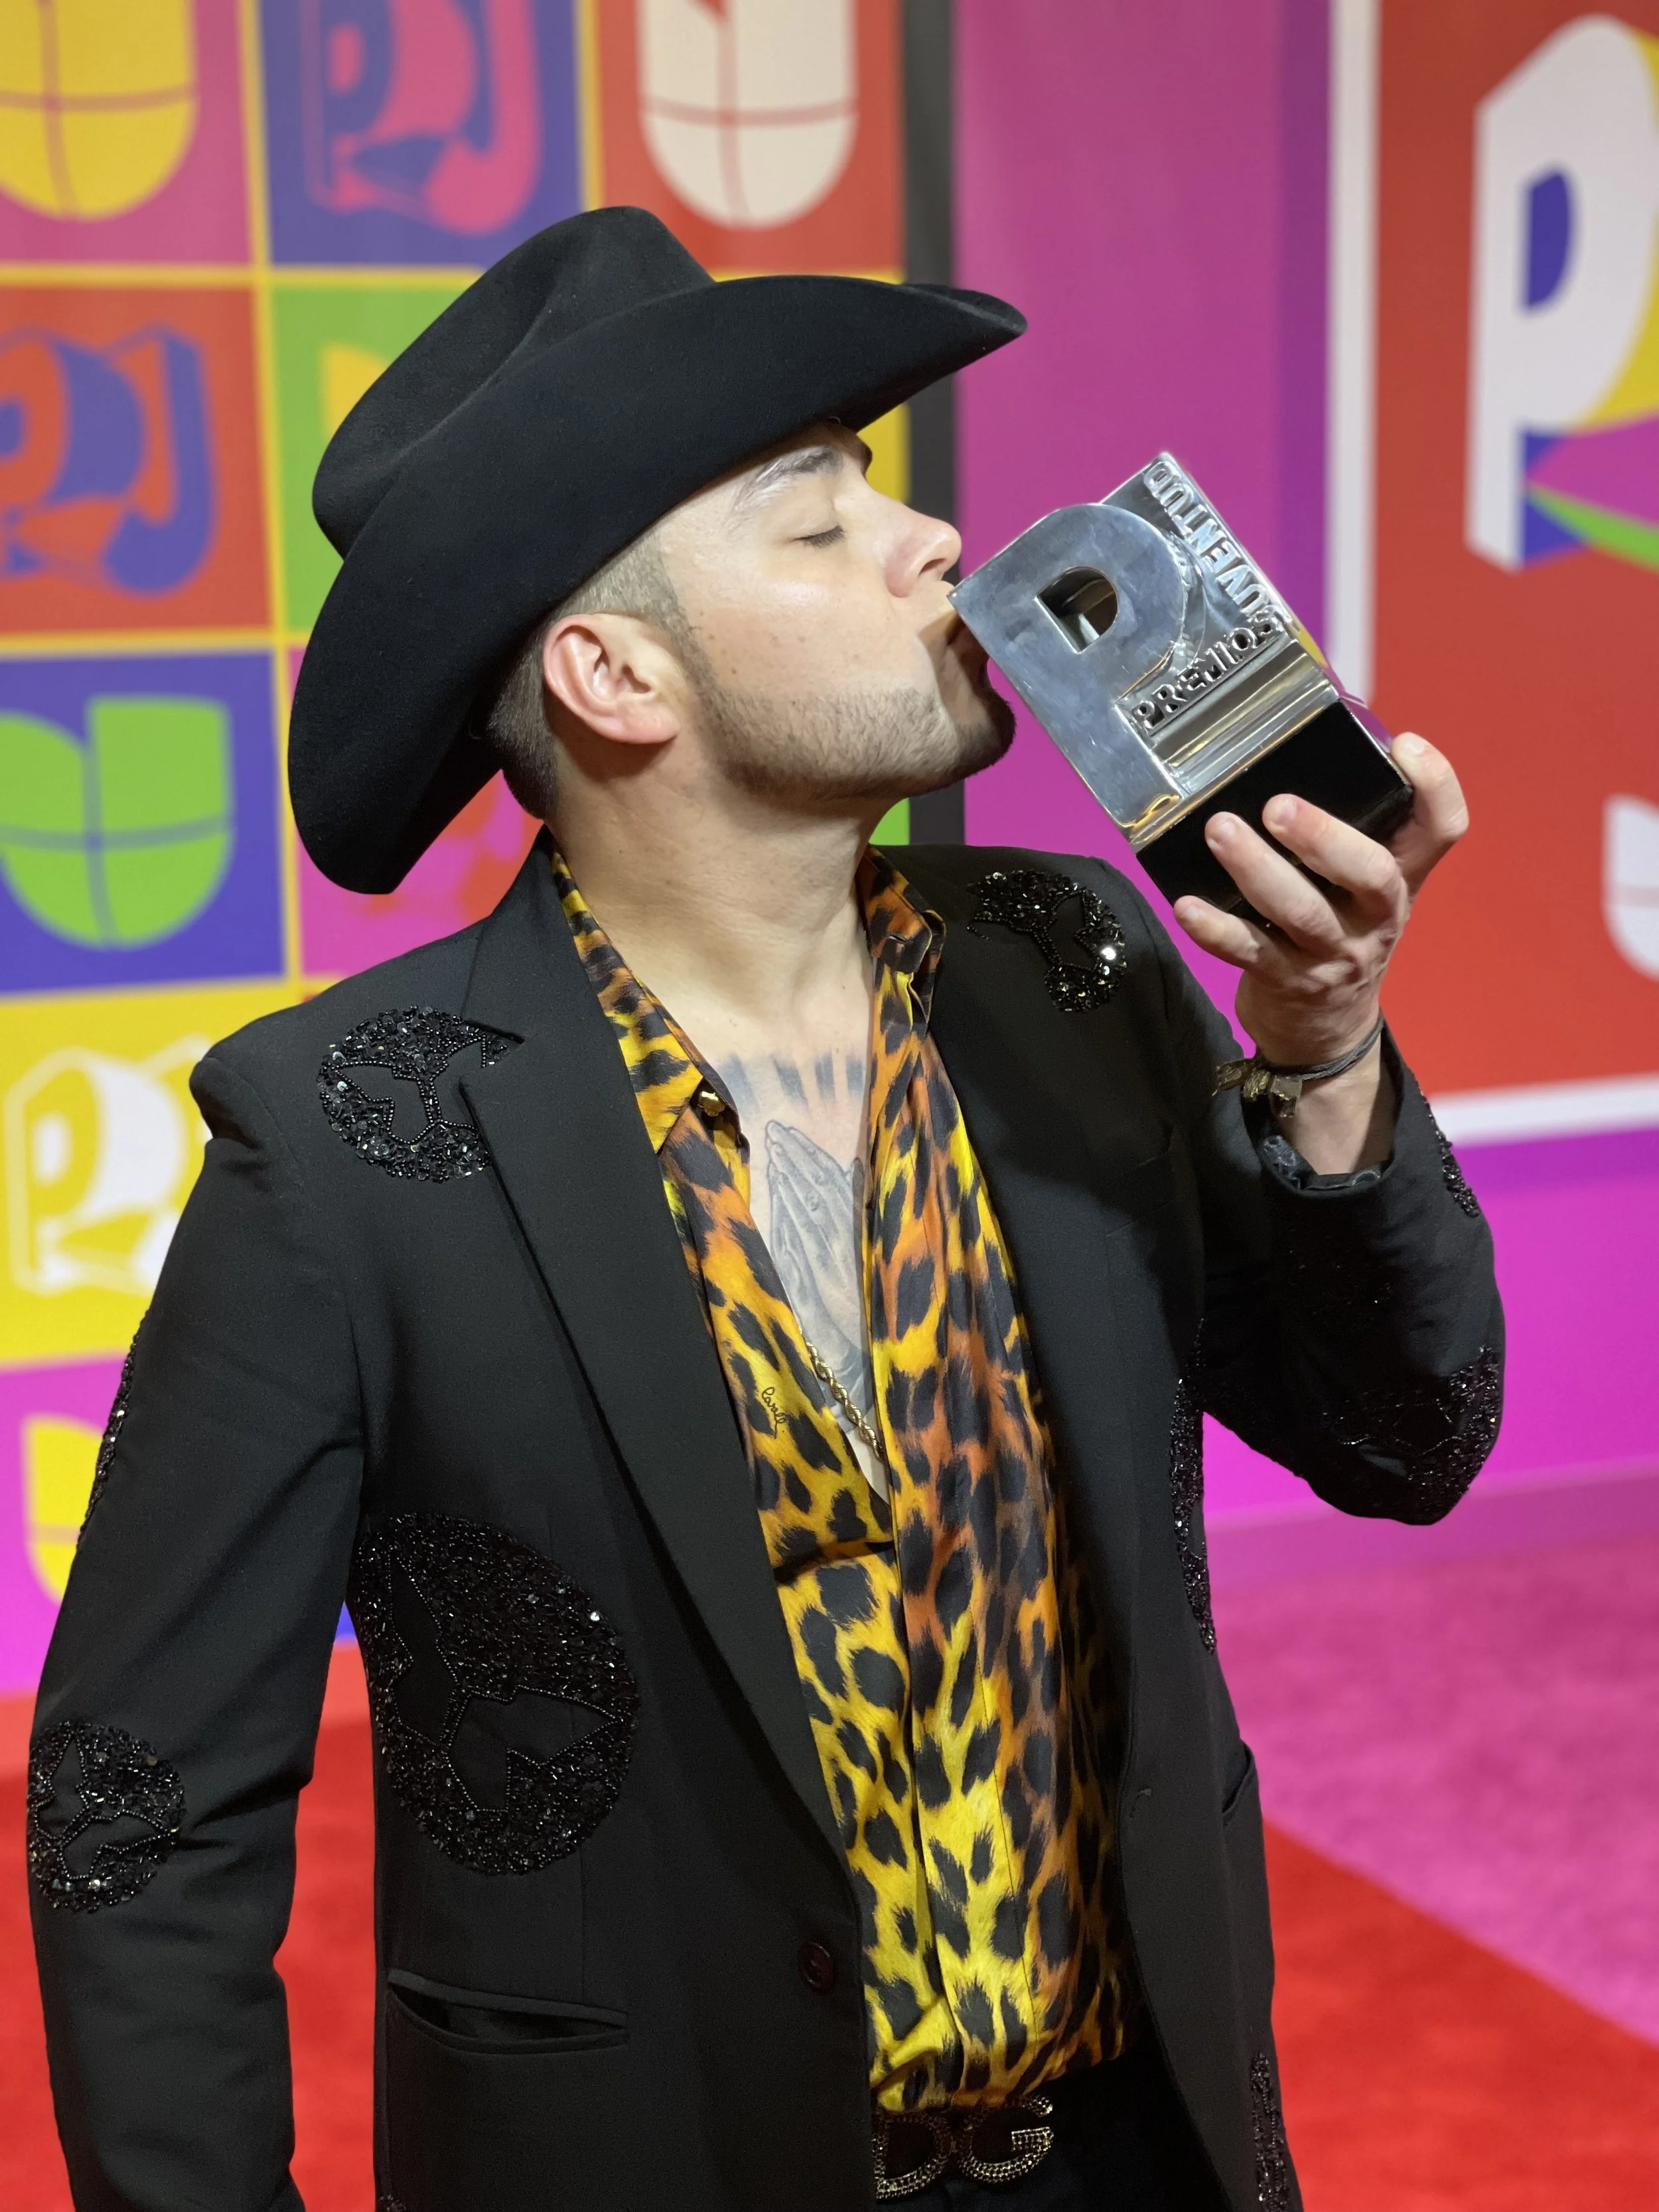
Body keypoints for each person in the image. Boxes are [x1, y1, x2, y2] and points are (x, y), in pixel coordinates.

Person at [28, 208, 1500, 2212]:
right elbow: (144, 1812)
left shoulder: (1069, 973)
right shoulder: (348, 1138)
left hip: (1134, 2158)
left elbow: (1402, 1438)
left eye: (882, 489)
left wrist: (1324, 1045)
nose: (928, 544)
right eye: (815, 518)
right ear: (613, 671)